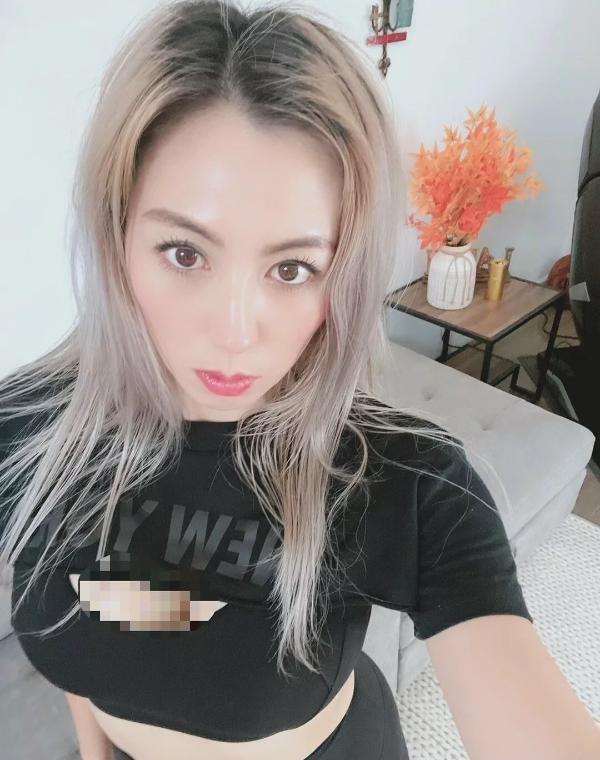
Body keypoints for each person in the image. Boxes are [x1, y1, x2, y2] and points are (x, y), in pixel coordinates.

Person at [4, 2, 597, 760]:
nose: (234, 331)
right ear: (115, 235)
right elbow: (87, 662)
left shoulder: (406, 486)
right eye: (185, 253)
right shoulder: (27, 433)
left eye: (291, 269)